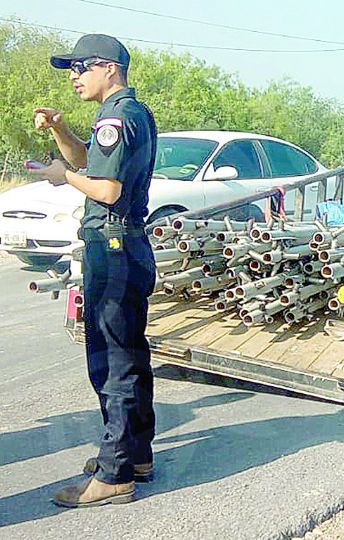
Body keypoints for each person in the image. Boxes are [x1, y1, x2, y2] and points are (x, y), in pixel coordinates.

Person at [29, 34, 158, 508]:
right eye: (71, 69)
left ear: (110, 68)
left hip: (114, 244)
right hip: (123, 245)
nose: (74, 76)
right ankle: (135, 454)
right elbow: (88, 160)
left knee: (112, 359)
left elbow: (103, 188)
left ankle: (115, 473)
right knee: (128, 352)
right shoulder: (128, 113)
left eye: (82, 67)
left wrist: (61, 176)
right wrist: (60, 132)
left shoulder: (116, 115)